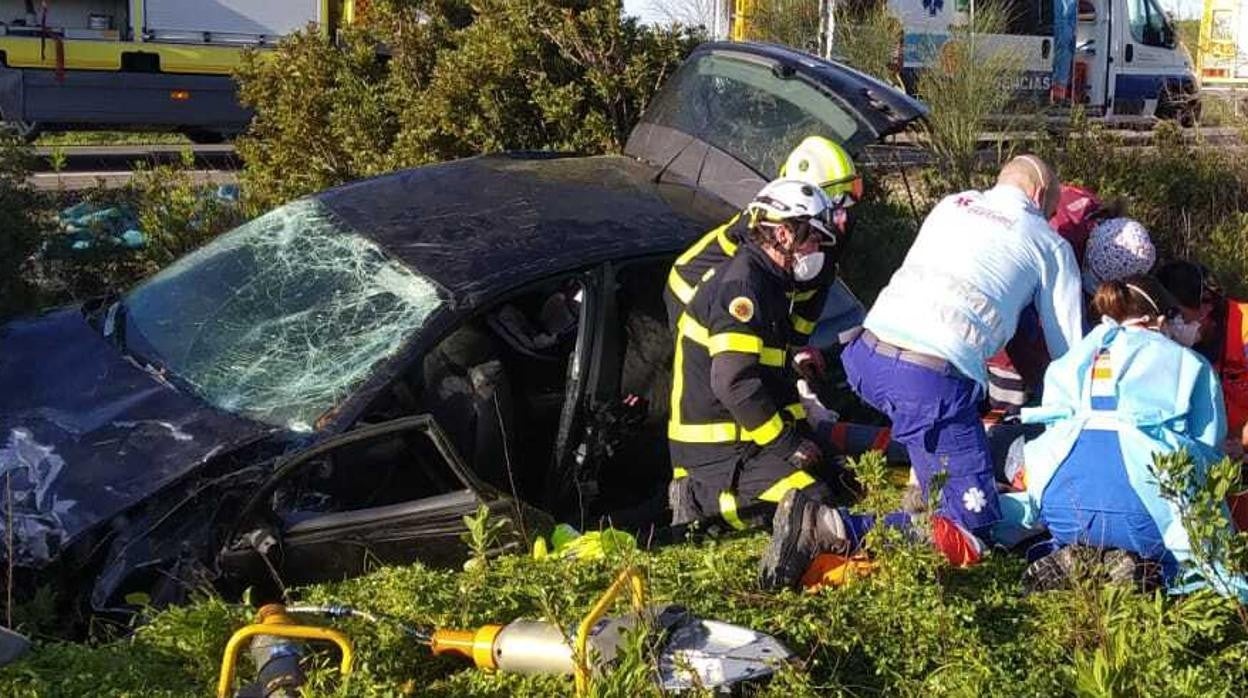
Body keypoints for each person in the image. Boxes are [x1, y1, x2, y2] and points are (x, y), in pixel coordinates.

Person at [758, 155, 1086, 590]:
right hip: (930, 377)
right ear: (1041, 197)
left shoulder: (953, 204)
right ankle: (830, 528)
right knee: (974, 525)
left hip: (868, 355)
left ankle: (917, 503)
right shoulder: (1049, 244)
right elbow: (1069, 354)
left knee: (931, 434)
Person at [995, 276, 1246, 599]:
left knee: (1080, 512)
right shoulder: (1189, 364)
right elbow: (1207, 454)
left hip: (1064, 505)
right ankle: (1155, 572)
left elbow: (1055, 430)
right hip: (1145, 511)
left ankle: (1083, 554)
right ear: (1159, 320)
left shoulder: (1074, 357)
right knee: (1197, 547)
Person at [668, 178, 842, 538]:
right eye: (812, 237)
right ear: (782, 234)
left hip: (744, 442)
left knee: (838, 479)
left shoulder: (770, 280)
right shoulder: (744, 288)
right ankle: (700, 505)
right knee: (815, 504)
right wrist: (789, 446)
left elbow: (764, 369)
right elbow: (734, 382)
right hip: (718, 457)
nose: (817, 247)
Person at [664, 135, 861, 344]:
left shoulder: (827, 231)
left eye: (853, 195)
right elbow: (746, 289)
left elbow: (815, 291)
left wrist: (796, 346)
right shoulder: (764, 227)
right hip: (691, 293)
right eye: (840, 200)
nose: (846, 215)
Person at [1155, 261, 1248, 458]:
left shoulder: (1244, 328)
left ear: (1205, 306)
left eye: (1177, 314)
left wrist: (1243, 443)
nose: (1173, 323)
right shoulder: (1176, 344)